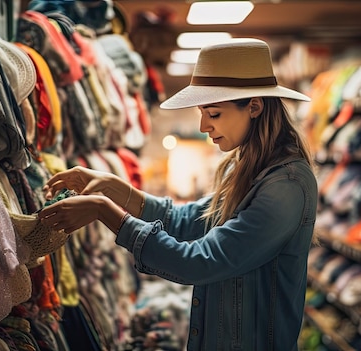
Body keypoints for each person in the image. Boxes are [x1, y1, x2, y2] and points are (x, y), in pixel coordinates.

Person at [39, 38, 318, 350]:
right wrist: (113, 186)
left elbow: (200, 261)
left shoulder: (287, 184)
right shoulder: (244, 167)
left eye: (213, 114)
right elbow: (187, 220)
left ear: (254, 106)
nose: (203, 125)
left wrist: (105, 210)